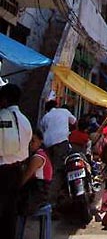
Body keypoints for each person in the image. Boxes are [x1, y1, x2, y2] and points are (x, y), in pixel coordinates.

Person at [0, 83, 32, 238]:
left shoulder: (3, 118)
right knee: (9, 213)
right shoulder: (25, 121)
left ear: (4, 100)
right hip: (17, 170)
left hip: (3, 171)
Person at [40, 99, 76, 208]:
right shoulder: (64, 112)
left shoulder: (45, 117)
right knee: (58, 171)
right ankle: (51, 201)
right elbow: (74, 122)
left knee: (49, 170)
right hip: (61, 142)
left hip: (47, 144)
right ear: (56, 105)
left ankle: (46, 197)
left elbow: (43, 130)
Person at [18, 129, 53, 216]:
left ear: (40, 141)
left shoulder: (37, 157)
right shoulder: (39, 154)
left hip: (38, 194)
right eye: (29, 141)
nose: (30, 144)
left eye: (33, 141)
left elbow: (25, 177)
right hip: (38, 191)